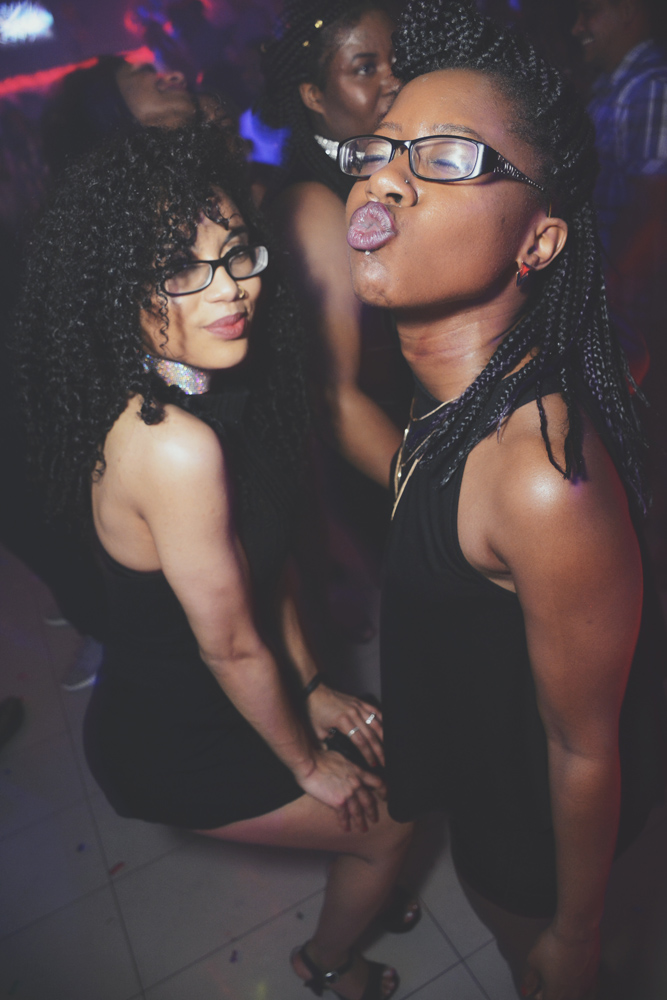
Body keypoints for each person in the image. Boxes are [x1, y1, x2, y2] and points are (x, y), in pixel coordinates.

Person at [13, 123, 413, 1000]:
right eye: (177, 269)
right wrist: (306, 760)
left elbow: (272, 569)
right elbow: (229, 645)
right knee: (388, 826)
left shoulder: (219, 382)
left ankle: (362, 885)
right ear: (115, 291)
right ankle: (328, 963)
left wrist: (313, 685)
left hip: (239, 691)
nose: (229, 288)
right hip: (176, 736)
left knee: (375, 797)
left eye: (235, 254)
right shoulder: (169, 445)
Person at [340, 1, 667, 997]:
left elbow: (582, 747)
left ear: (538, 240)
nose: (383, 176)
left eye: (445, 158)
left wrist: (573, 931)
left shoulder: (536, 474)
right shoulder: (447, 393)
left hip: (534, 841)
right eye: (381, 147)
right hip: (480, 785)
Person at [571, 0, 667, 579]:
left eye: (590, 12)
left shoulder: (650, 86)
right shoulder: (613, 86)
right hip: (618, 302)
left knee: (645, 441)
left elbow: (658, 211)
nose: (578, 27)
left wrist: (613, 288)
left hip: (640, 308)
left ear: (631, 10)